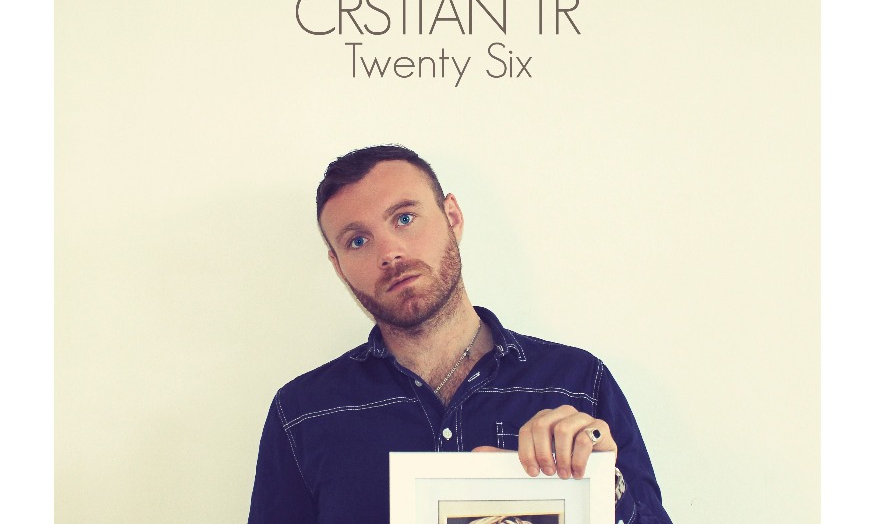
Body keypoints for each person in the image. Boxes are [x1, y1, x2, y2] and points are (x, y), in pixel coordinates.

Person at [247, 145, 672, 524]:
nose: (390, 252)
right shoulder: (303, 412)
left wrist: (607, 486)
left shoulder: (577, 382)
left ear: (452, 217)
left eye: (405, 218)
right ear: (339, 266)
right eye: (358, 241)